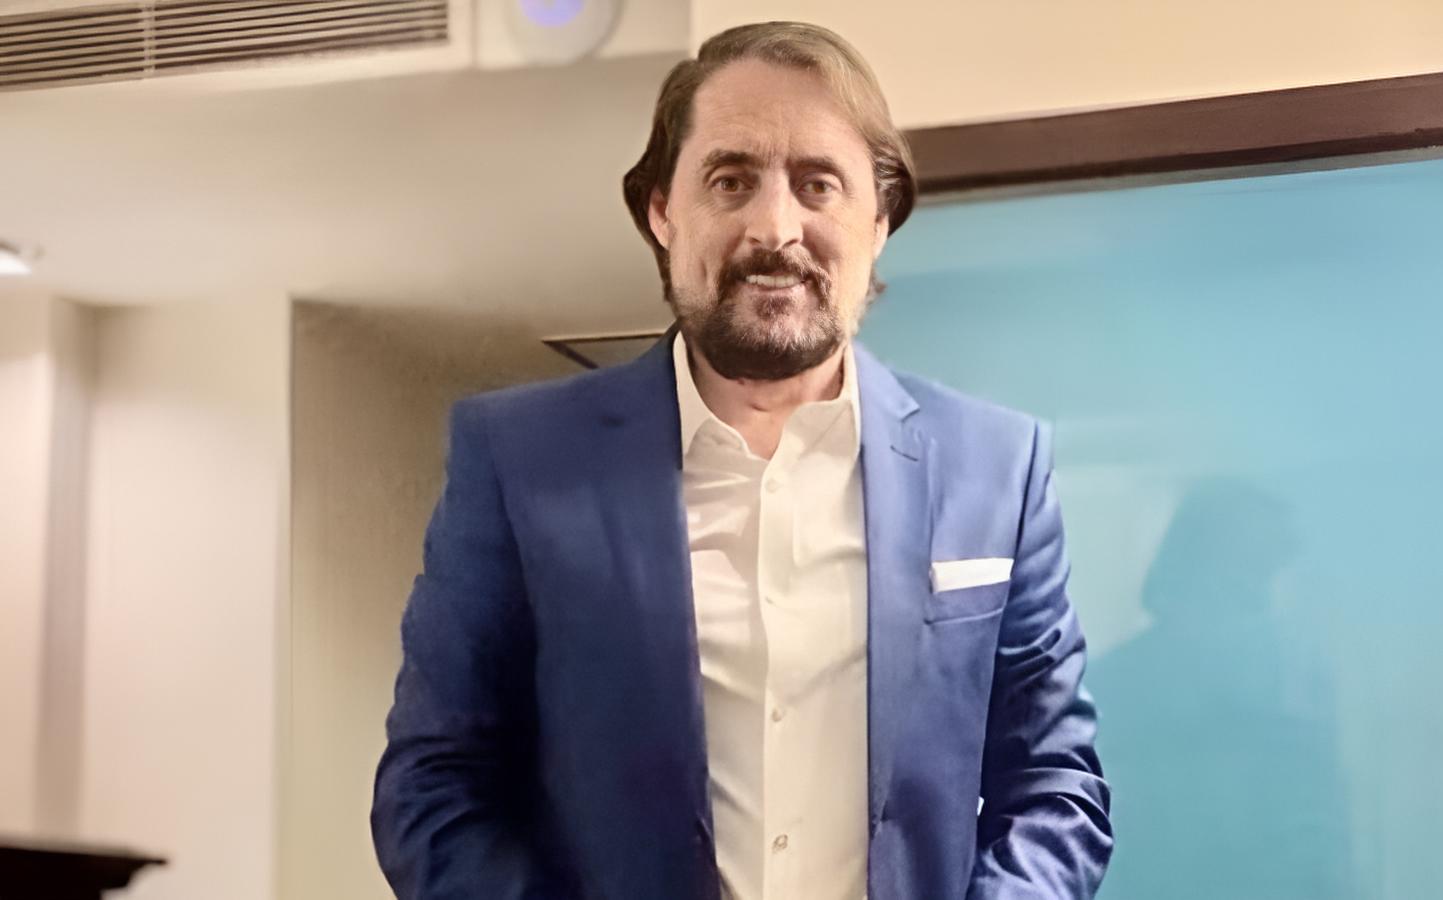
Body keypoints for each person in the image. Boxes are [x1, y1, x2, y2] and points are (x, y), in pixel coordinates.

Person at [372, 20, 1111, 900]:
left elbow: (1055, 788)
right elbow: (434, 785)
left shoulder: (997, 469)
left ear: (878, 221)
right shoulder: (517, 461)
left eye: (817, 184)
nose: (774, 226)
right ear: (663, 213)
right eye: (731, 181)